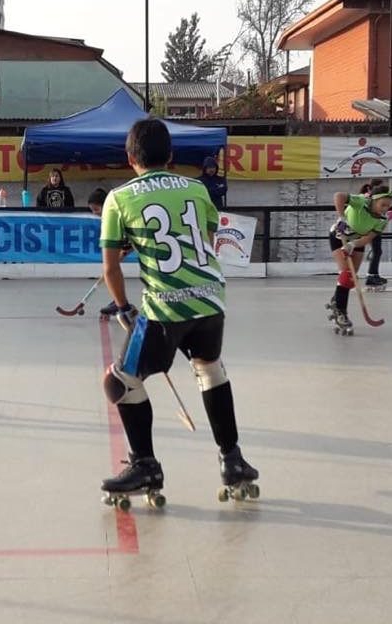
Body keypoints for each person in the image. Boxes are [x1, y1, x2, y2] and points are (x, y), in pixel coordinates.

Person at [99, 118, 259, 505]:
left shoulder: (118, 199)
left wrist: (122, 307)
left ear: (129, 156)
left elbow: (110, 267)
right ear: (170, 156)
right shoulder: (197, 187)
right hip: (210, 299)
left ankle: (145, 465)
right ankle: (232, 459)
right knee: (209, 369)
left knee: (120, 382)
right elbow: (203, 241)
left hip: (164, 308)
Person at [327, 185, 392, 335]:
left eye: (388, 206)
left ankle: (336, 301)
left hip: (356, 241)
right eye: (382, 204)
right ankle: (341, 313)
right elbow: (339, 195)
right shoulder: (361, 201)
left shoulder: (382, 220)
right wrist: (342, 217)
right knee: (346, 273)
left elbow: (368, 238)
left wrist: (353, 244)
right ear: (373, 200)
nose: (385, 208)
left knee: (351, 278)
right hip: (339, 237)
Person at [87, 187, 131, 320]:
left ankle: (122, 306)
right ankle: (118, 301)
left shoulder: (118, 215)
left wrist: (125, 250)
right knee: (113, 269)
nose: (94, 213)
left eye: (96, 209)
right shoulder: (110, 218)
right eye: (92, 210)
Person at [360, 179, 392, 291]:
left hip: (374, 226)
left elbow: (382, 216)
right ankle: (371, 275)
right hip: (371, 227)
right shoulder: (367, 200)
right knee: (376, 251)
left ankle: (373, 274)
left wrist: (390, 212)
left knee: (377, 251)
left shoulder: (373, 200)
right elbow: (381, 217)